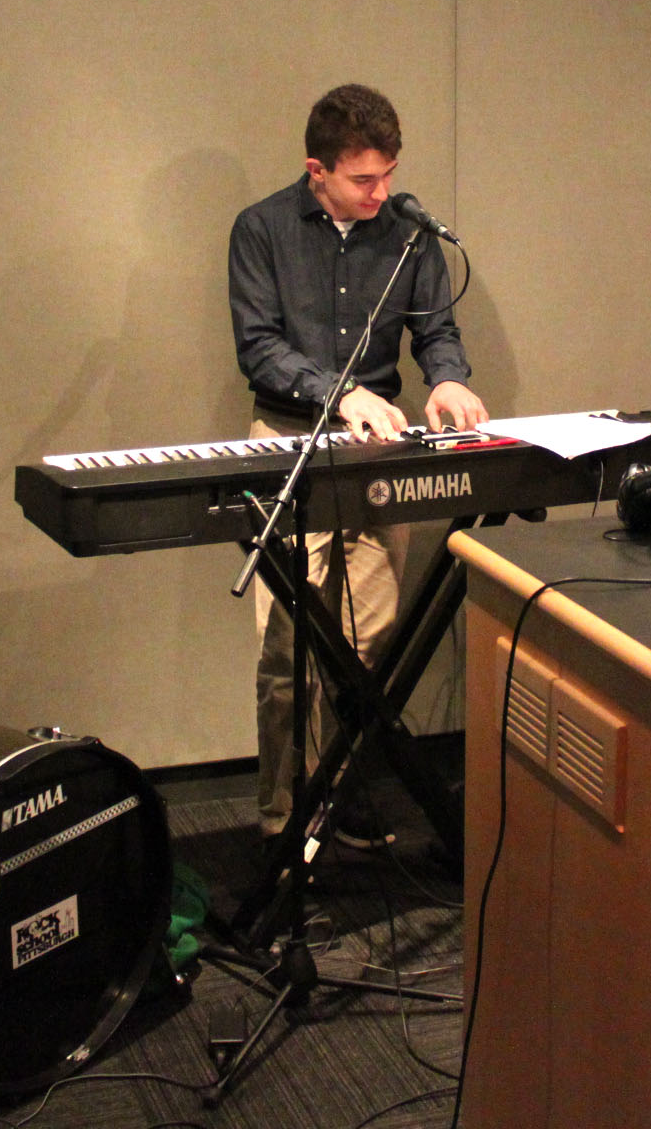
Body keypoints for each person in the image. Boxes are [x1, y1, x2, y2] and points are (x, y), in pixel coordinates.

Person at [228, 84, 487, 848]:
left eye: (389, 174)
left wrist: (446, 374)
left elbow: (435, 329)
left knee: (362, 647)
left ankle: (335, 798)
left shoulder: (409, 234)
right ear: (319, 171)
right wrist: (341, 395)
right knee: (289, 652)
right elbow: (261, 348)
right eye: (363, 179)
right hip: (290, 440)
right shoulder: (262, 230)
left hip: (376, 450)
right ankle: (285, 819)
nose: (382, 191)